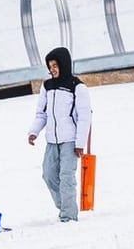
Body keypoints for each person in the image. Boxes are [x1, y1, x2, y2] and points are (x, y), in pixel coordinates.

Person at [26, 46, 92, 222]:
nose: (52, 69)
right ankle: (65, 206)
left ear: (64, 64)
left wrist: (80, 143)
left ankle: (68, 217)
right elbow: (42, 114)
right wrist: (34, 132)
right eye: (50, 66)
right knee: (48, 175)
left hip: (70, 140)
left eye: (55, 65)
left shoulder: (77, 87)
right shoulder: (47, 86)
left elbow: (84, 117)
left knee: (66, 177)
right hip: (52, 141)